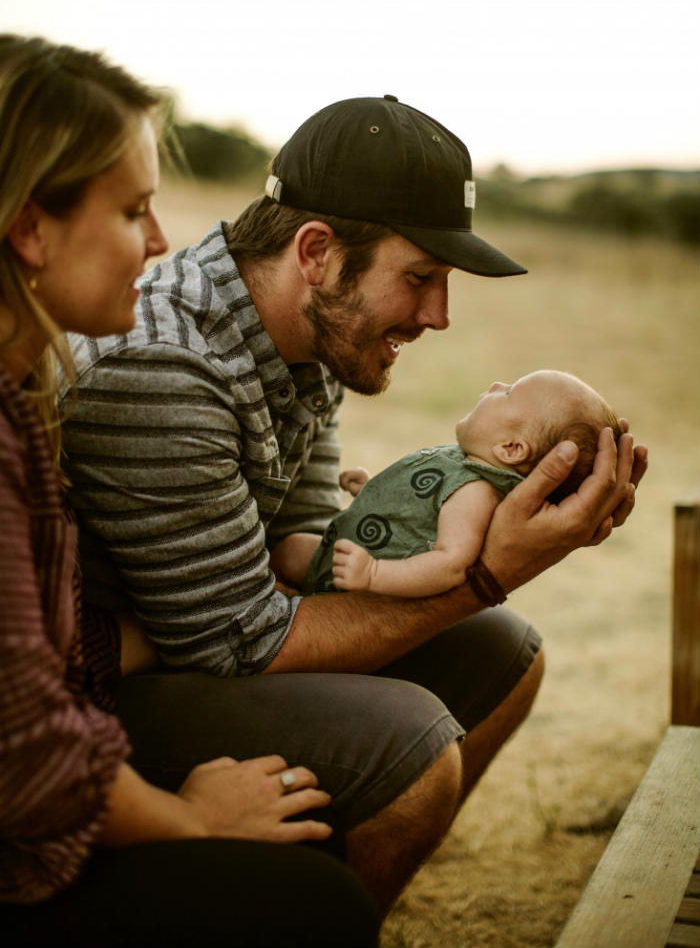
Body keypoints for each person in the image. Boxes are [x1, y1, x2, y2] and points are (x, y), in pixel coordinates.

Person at [59, 94, 647, 914]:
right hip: (87, 690)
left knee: (505, 650)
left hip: (199, 635)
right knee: (414, 746)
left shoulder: (303, 336)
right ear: (316, 252)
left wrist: (459, 532)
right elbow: (243, 648)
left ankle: (308, 898)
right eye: (421, 278)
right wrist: (483, 571)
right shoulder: (166, 368)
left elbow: (305, 543)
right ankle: (292, 915)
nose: (439, 316)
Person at [0, 35, 380, 947]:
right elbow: (29, 754)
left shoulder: (20, 402)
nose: (163, 241)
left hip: (95, 704)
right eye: (134, 208)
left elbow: (35, 656)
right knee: (315, 904)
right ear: (29, 228)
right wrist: (192, 819)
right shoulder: (136, 369)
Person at [269, 369, 622, 597]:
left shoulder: (475, 493)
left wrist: (374, 573)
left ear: (511, 448)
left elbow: (449, 564)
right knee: (289, 550)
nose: (496, 383)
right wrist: (373, 489)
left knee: (288, 552)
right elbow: (418, 510)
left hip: (360, 582)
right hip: (348, 553)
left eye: (509, 393)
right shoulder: (462, 463)